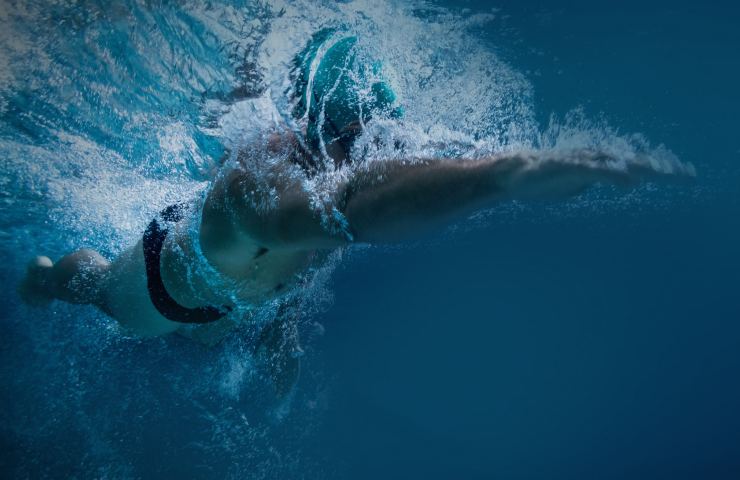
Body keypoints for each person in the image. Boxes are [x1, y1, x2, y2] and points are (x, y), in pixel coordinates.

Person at [17, 30, 690, 396]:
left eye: (379, 139)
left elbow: (317, 247)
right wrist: (502, 178)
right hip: (157, 292)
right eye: (355, 141)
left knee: (209, 335)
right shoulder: (264, 182)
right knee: (95, 288)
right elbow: (338, 213)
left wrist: (282, 333)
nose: (369, 155)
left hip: (231, 302)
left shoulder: (335, 158)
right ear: (316, 129)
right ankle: (50, 277)